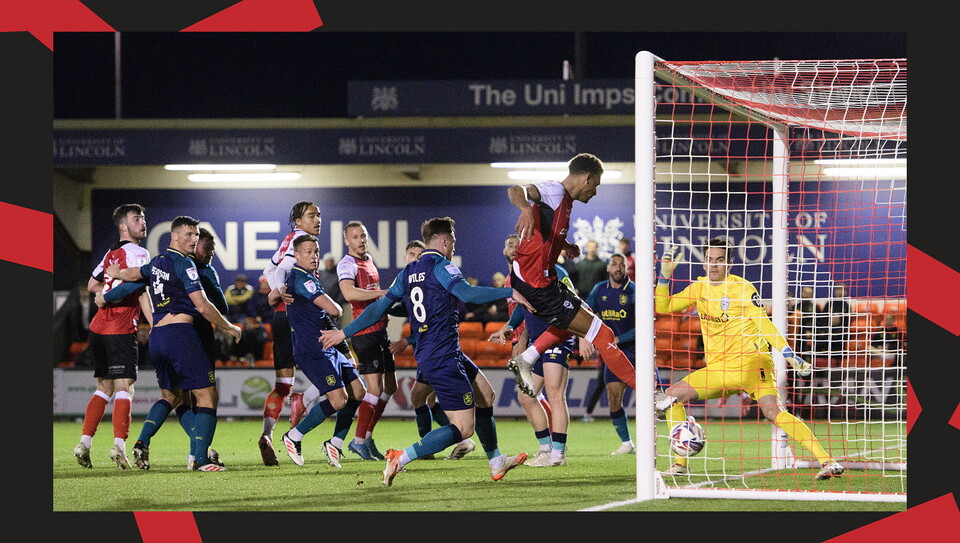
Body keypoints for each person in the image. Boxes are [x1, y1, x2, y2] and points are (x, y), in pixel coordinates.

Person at [320, 217, 530, 486]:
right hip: (442, 355)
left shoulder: (408, 272)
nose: (453, 245)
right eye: (452, 240)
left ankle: (496, 461)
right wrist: (511, 292)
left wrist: (343, 332)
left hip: (439, 351)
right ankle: (401, 457)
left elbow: (376, 309)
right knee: (463, 428)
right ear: (444, 241)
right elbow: (467, 295)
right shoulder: (442, 266)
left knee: (485, 395)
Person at [653, 238, 844, 480]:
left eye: (719, 260)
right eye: (709, 260)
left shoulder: (743, 288)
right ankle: (680, 464)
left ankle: (827, 460)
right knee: (671, 397)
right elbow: (664, 305)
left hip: (751, 363)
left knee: (773, 412)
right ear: (703, 263)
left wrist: (789, 354)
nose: (713, 265)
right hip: (719, 370)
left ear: (729, 264)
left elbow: (765, 325)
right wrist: (664, 277)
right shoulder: (698, 288)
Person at [107, 215, 241, 471]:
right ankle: (199, 459)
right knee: (207, 396)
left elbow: (134, 274)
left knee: (172, 396)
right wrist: (230, 326)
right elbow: (203, 305)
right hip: (182, 335)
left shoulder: (157, 261)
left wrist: (115, 276)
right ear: (175, 236)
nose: (194, 240)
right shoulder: (187, 265)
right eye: (189, 235)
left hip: (158, 337)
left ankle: (144, 442)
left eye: (197, 235)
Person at [504, 153, 637, 398]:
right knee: (603, 333)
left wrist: (562, 244)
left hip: (541, 280)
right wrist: (524, 208)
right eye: (595, 185)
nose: (595, 192)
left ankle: (527, 358)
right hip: (536, 285)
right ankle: (652, 395)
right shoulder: (555, 191)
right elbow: (516, 189)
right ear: (587, 178)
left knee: (574, 323)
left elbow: (544, 233)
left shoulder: (565, 201)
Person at [275, 234, 367, 469]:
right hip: (313, 349)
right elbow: (334, 309)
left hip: (330, 344)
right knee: (338, 400)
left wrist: (343, 347)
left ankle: (335, 443)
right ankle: (294, 436)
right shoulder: (301, 279)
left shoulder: (309, 277)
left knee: (358, 391)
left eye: (315, 251)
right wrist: (335, 305)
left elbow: (325, 316)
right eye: (307, 251)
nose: (314, 256)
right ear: (296, 255)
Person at [73, 203, 152, 470]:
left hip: (98, 328)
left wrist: (103, 293)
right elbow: (141, 285)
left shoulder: (111, 254)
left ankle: (84, 442)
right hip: (120, 326)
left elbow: (92, 285)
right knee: (124, 388)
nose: (142, 222)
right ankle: (119, 446)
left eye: (142, 217)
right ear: (122, 226)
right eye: (136, 218)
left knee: (103, 387)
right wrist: (154, 323)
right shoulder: (139, 252)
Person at [389, 239, 475, 461]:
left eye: (419, 253)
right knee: (420, 397)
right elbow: (407, 310)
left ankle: (450, 443)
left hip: (437, 351)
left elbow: (429, 320)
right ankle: (435, 447)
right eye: (411, 253)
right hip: (428, 352)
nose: (416, 257)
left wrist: (407, 339)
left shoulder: (432, 278)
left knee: (428, 400)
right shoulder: (408, 280)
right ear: (405, 256)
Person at [489, 262, 576, 467]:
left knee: (555, 395)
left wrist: (585, 335)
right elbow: (524, 308)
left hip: (556, 337)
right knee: (526, 396)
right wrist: (513, 329)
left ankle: (558, 454)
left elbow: (575, 302)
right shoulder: (520, 273)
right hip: (536, 342)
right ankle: (545, 449)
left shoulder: (555, 271)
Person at [258, 201, 321, 465]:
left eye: (318, 215)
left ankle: (267, 434)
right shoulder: (300, 241)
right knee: (341, 371)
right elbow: (282, 270)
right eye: (311, 215)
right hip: (300, 316)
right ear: (297, 220)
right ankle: (303, 400)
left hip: (282, 316)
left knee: (283, 383)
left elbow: (267, 272)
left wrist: (275, 291)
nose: (317, 219)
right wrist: (280, 289)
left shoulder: (288, 239)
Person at [336, 220, 394, 461]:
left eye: (363, 235)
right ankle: (359, 440)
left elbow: (371, 291)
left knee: (390, 387)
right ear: (346, 241)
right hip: (364, 333)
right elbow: (349, 293)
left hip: (379, 329)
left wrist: (384, 309)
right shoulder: (347, 263)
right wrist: (381, 294)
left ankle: (366, 437)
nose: (360, 240)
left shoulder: (368, 260)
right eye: (355, 236)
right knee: (376, 388)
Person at [581, 252, 638, 456]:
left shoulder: (633, 291)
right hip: (612, 355)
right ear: (607, 268)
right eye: (614, 264)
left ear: (626, 268)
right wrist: (585, 336)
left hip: (635, 353)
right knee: (614, 399)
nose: (618, 268)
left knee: (655, 398)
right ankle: (627, 443)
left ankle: (669, 438)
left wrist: (619, 340)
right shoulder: (599, 290)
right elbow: (585, 312)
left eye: (621, 265)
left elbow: (644, 325)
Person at [317, 252, 348, 318]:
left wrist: (338, 302)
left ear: (333, 262)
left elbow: (343, 290)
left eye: (330, 262)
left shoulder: (339, 275)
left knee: (335, 326)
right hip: (322, 306)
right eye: (327, 262)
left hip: (336, 305)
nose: (328, 264)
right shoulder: (320, 274)